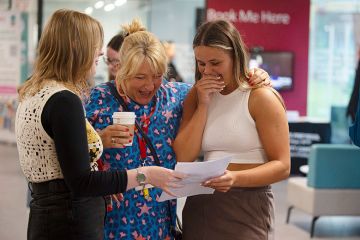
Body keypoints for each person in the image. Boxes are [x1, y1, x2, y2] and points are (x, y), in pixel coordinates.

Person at [85, 19, 271, 239]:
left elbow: (220, 87)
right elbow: (68, 160)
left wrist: (254, 74)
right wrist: (98, 141)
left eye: (156, 76)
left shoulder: (176, 96)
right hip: (112, 222)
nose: (149, 86)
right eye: (140, 77)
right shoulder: (96, 100)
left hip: (161, 223)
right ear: (120, 69)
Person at [15, 9, 184, 240]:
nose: (102, 52)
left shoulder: (34, 92)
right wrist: (146, 175)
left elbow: (65, 160)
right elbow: (82, 182)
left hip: (46, 216)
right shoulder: (65, 99)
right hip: (70, 221)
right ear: (77, 46)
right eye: (96, 44)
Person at [173, 20, 290, 240]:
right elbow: (184, 155)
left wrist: (235, 178)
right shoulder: (195, 96)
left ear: (236, 56)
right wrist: (204, 104)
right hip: (201, 206)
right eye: (201, 63)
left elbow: (282, 166)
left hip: (246, 205)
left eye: (215, 62)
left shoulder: (260, 96)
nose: (207, 71)